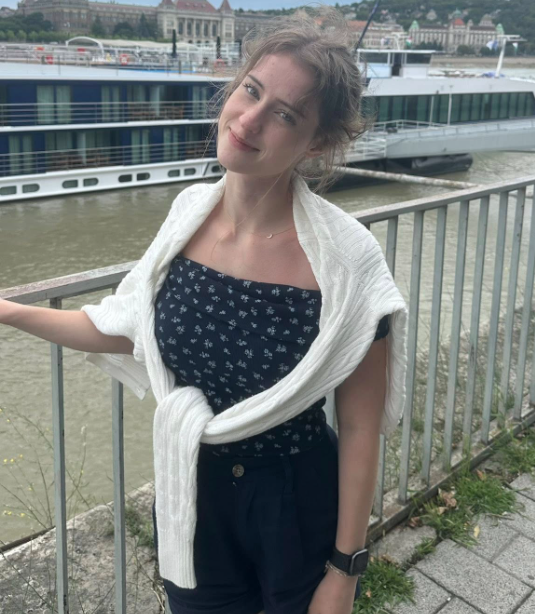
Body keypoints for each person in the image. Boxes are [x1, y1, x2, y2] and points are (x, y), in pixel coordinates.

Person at [0, 8, 408, 614]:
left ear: (317, 143)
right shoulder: (187, 214)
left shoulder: (347, 260)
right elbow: (124, 328)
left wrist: (345, 569)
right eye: (252, 91)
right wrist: (8, 312)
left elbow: (359, 426)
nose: (249, 120)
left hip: (295, 502)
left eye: (285, 115)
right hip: (190, 491)